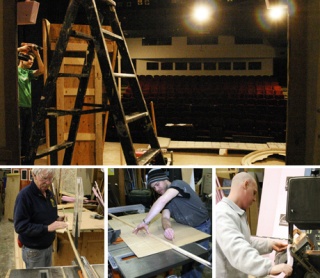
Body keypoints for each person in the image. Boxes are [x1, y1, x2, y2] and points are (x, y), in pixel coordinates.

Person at [133, 168, 211, 278]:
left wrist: (145, 222)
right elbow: (165, 218)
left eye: (157, 184)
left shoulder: (178, 184)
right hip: (186, 228)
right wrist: (167, 228)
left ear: (164, 179)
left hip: (201, 226)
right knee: (187, 259)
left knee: (197, 262)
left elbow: (162, 200)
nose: (156, 189)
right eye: (153, 187)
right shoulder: (166, 198)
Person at [216, 172, 293, 278]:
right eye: (254, 192)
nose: (254, 199)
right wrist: (268, 268)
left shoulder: (237, 213)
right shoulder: (223, 213)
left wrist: (269, 244)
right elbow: (237, 249)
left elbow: (245, 241)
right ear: (245, 184)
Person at [14, 168, 68, 269]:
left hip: (48, 247)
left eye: (51, 179)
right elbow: (20, 227)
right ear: (34, 175)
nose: (48, 182)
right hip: (34, 251)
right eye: (44, 178)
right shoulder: (25, 196)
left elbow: (45, 215)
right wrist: (47, 228)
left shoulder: (49, 194)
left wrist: (57, 219)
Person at [17, 43, 44, 157]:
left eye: (32, 61)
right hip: (18, 108)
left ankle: (24, 158)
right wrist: (21, 50)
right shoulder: (15, 71)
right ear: (22, 59)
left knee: (27, 136)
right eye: (29, 59)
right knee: (18, 135)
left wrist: (37, 56)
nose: (31, 62)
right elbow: (7, 54)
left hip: (28, 108)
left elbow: (42, 71)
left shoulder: (28, 73)